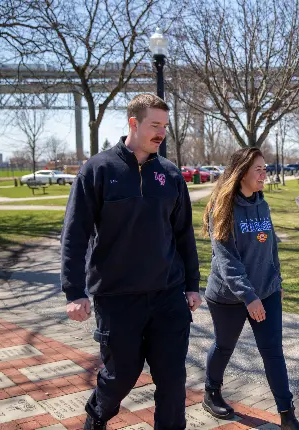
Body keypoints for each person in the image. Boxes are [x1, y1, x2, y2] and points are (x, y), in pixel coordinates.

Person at [61, 94, 201, 430]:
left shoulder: (170, 175)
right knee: (121, 376)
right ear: (133, 124)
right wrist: (73, 291)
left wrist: (193, 286)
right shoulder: (98, 170)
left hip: (168, 296)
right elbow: (74, 234)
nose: (161, 133)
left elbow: (184, 236)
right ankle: (97, 418)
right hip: (117, 297)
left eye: (165, 126)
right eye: (155, 125)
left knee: (172, 380)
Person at [201, 148, 299, 430]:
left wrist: (277, 281)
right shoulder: (222, 208)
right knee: (224, 345)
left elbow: (270, 246)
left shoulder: (262, 203)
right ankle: (211, 391)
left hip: (266, 290)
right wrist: (249, 297)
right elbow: (227, 260)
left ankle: (287, 415)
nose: (264, 174)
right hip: (229, 295)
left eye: (265, 168)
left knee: (273, 351)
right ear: (242, 173)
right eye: (259, 170)